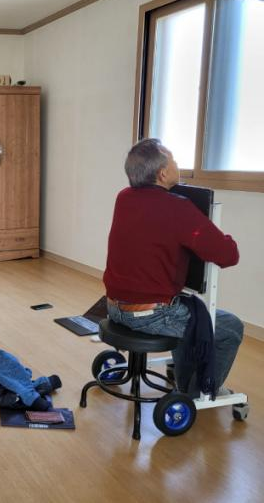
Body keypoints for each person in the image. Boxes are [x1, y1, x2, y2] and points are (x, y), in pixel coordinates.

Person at [103, 138, 243, 397]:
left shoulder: (124, 198)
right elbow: (228, 255)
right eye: (174, 160)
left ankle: (183, 373)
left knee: (188, 309)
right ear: (162, 173)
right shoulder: (177, 207)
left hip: (113, 306)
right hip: (152, 315)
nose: (178, 165)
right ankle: (197, 393)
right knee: (231, 327)